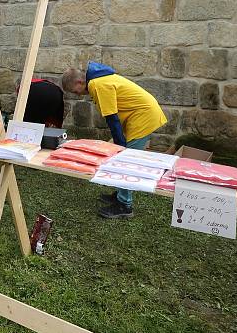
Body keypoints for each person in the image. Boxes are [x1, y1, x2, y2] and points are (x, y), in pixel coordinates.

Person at [61, 62, 167, 219]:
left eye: (74, 91)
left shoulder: (98, 84)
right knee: (121, 156)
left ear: (79, 82)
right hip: (138, 116)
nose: (77, 95)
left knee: (126, 160)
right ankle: (119, 194)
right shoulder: (98, 80)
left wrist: (120, 145)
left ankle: (125, 205)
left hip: (144, 117)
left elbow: (112, 118)